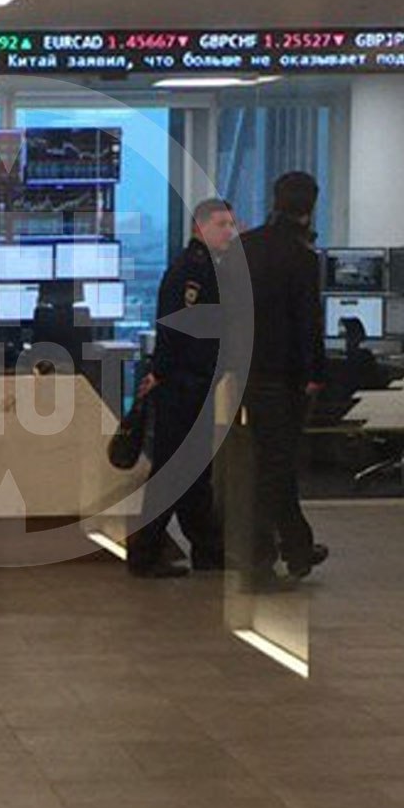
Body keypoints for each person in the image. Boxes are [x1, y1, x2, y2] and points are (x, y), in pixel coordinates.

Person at [127, 198, 236, 578]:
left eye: (231, 224)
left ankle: (209, 549)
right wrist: (161, 372)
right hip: (183, 382)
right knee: (174, 470)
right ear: (199, 227)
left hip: (196, 382)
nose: (229, 232)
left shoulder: (211, 268)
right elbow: (175, 327)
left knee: (194, 471)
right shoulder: (192, 271)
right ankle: (145, 553)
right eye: (221, 224)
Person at [238, 171, 330, 589]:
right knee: (275, 469)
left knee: (269, 465)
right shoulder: (302, 258)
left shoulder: (245, 248)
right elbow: (308, 322)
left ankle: (297, 546)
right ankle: (260, 559)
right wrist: (316, 375)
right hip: (282, 377)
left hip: (244, 372)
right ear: (309, 208)